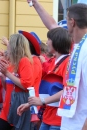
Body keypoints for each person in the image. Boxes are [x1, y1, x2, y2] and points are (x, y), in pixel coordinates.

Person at [26, 1, 87, 129]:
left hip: (79, 123)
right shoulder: (76, 46)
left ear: (72, 22)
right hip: (68, 120)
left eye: (66, 18)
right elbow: (52, 25)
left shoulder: (83, 49)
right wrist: (35, 4)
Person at [17, 27, 72, 130]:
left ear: (57, 41)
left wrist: (42, 101)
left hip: (58, 120)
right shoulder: (53, 62)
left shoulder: (68, 63)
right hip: (48, 117)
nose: (46, 42)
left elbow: (67, 90)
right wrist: (31, 104)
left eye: (49, 39)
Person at [0, 33, 35, 130]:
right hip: (8, 108)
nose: (8, 46)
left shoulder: (24, 61)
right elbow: (7, 88)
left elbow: (26, 84)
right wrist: (2, 76)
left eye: (9, 44)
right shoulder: (12, 63)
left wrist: (7, 73)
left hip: (18, 107)